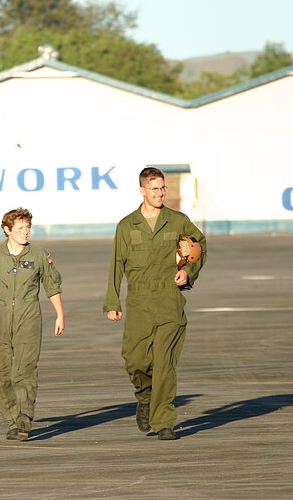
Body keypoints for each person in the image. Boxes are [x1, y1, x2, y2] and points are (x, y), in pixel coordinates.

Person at [102, 167, 206, 440]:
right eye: (154, 189)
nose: (160, 193)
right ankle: (145, 397)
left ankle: (164, 421)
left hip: (169, 300)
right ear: (142, 191)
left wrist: (188, 273)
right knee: (135, 361)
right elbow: (116, 264)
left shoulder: (177, 220)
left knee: (164, 364)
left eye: (162, 189)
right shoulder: (127, 225)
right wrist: (112, 300)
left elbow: (199, 245)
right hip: (138, 301)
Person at [0, 207, 65, 441]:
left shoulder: (39, 254)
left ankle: (25, 417)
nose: (25, 232)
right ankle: (11, 421)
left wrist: (60, 314)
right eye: (20, 228)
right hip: (0, 316)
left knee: (25, 369)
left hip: (29, 316)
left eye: (27, 227)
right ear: (7, 230)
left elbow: (52, 285)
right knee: (4, 372)